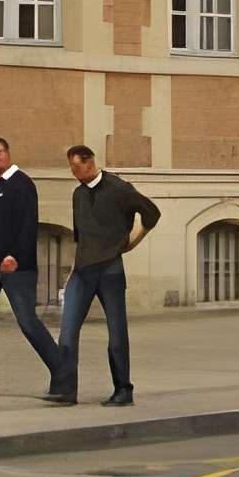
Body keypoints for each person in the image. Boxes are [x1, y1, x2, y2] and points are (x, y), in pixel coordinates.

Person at [51, 143, 160, 409]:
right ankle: (66, 390)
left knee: (116, 331)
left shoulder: (119, 189)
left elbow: (152, 213)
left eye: (76, 167)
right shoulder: (77, 195)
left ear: (89, 162)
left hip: (110, 269)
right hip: (83, 270)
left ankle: (123, 389)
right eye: (71, 168)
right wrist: (72, 272)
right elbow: (82, 239)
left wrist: (133, 240)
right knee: (67, 330)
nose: (74, 173)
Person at [0, 135, 65, 398]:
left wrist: (14, 255)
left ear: (8, 155)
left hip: (16, 266)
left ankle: (63, 371)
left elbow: (28, 224)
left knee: (28, 322)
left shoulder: (22, 184)